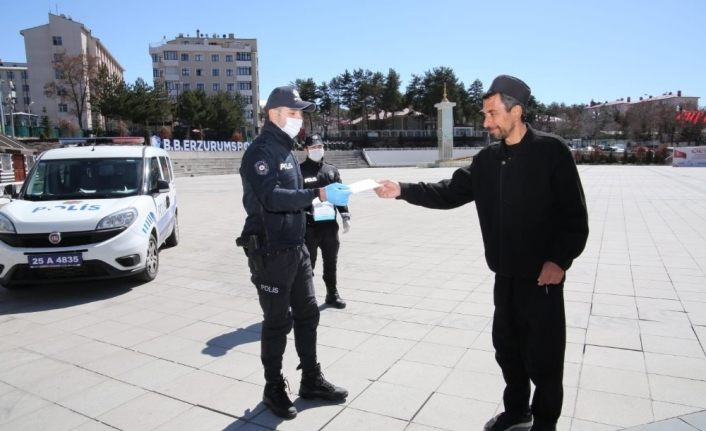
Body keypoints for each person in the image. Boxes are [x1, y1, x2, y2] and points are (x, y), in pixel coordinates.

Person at [375, 75, 589, 431]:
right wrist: (403, 190)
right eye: (485, 114)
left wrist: (559, 261)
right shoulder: (488, 160)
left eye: (492, 113)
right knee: (507, 351)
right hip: (504, 276)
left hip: (542, 279)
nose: (486, 122)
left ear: (516, 111)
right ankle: (517, 410)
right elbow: (449, 192)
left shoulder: (552, 152)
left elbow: (575, 216)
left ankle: (545, 424)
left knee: (545, 360)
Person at [237, 85, 351, 419]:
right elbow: (272, 198)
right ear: (273, 114)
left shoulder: (287, 150)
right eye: (293, 112)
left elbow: (295, 195)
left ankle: (311, 379)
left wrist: (324, 201)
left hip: (297, 248)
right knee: (276, 323)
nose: (298, 119)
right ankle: (273, 387)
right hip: (271, 253)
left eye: (301, 113)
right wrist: (320, 194)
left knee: (308, 315)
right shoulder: (260, 153)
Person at [300, 134, 350, 309]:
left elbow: (341, 196)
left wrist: (345, 215)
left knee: (331, 261)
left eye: (319, 146)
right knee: (308, 264)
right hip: (309, 226)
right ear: (305, 150)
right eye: (313, 147)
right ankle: (306, 298)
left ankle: (332, 293)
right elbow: (295, 197)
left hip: (329, 226)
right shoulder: (299, 171)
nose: (317, 150)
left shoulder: (331, 170)